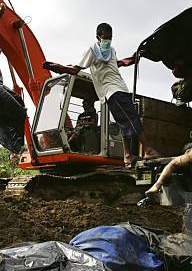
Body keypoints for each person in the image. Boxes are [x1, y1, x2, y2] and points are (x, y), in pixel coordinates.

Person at [43, 23, 159, 166]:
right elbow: (75, 69)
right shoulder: (92, 51)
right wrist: (59, 67)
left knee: (124, 123)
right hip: (112, 91)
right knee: (133, 118)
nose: (108, 41)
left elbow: (119, 63)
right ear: (98, 37)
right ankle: (147, 150)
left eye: (110, 38)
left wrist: (133, 58)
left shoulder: (111, 50)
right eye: (105, 38)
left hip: (120, 88)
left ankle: (127, 155)